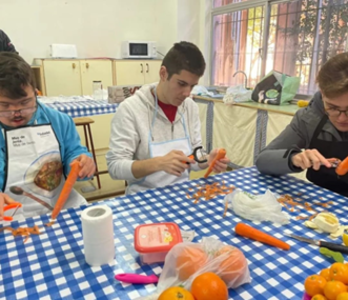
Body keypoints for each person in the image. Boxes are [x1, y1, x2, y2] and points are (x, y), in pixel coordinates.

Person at [106, 41, 229, 194]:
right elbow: (115, 167)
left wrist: (207, 160)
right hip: (143, 197)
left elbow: (194, 156)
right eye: (181, 83)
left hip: (181, 194)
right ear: (163, 73)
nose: (186, 93)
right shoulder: (131, 109)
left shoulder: (190, 107)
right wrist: (158, 163)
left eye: (192, 86)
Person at [0, 52, 96, 221]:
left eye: (25, 103)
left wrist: (82, 161)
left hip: (60, 206)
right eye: (5, 106)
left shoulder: (58, 121)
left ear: (37, 94)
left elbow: (73, 152)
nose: (16, 113)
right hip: (9, 215)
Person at [256, 52, 348, 196]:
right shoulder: (309, 117)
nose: (342, 118)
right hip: (319, 203)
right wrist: (294, 158)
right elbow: (262, 161)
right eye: (333, 107)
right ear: (322, 93)